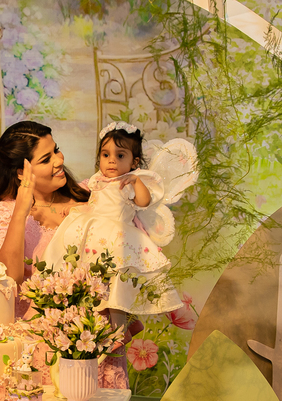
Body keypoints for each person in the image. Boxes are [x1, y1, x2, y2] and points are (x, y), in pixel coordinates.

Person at [0, 121, 142, 401]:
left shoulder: (90, 198)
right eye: (46, 157)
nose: (60, 160)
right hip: (40, 352)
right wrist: (21, 210)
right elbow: (9, 281)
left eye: (56, 150)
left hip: (93, 341)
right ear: (21, 170)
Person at [41, 122, 182, 316]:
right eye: (106, 155)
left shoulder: (128, 181)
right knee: (91, 275)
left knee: (117, 283)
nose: (112, 161)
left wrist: (137, 182)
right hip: (95, 233)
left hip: (117, 237)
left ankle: (118, 324)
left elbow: (143, 201)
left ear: (134, 162)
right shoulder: (97, 180)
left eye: (120, 156)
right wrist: (77, 208)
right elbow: (95, 205)